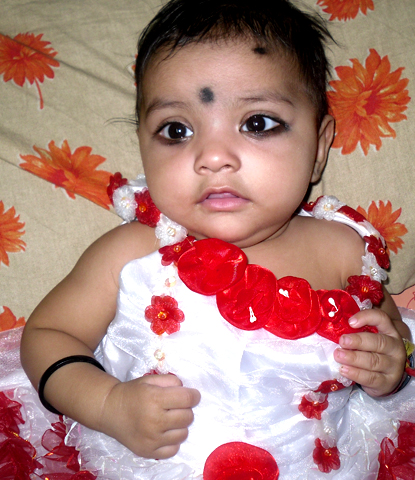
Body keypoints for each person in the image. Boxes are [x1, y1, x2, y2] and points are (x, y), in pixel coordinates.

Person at [9, 0, 415, 478]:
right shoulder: (133, 253)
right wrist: (107, 404)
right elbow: (46, 337)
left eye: (258, 123)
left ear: (320, 147)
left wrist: (389, 369)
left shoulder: (345, 252)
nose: (213, 156)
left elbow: (394, 340)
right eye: (176, 130)